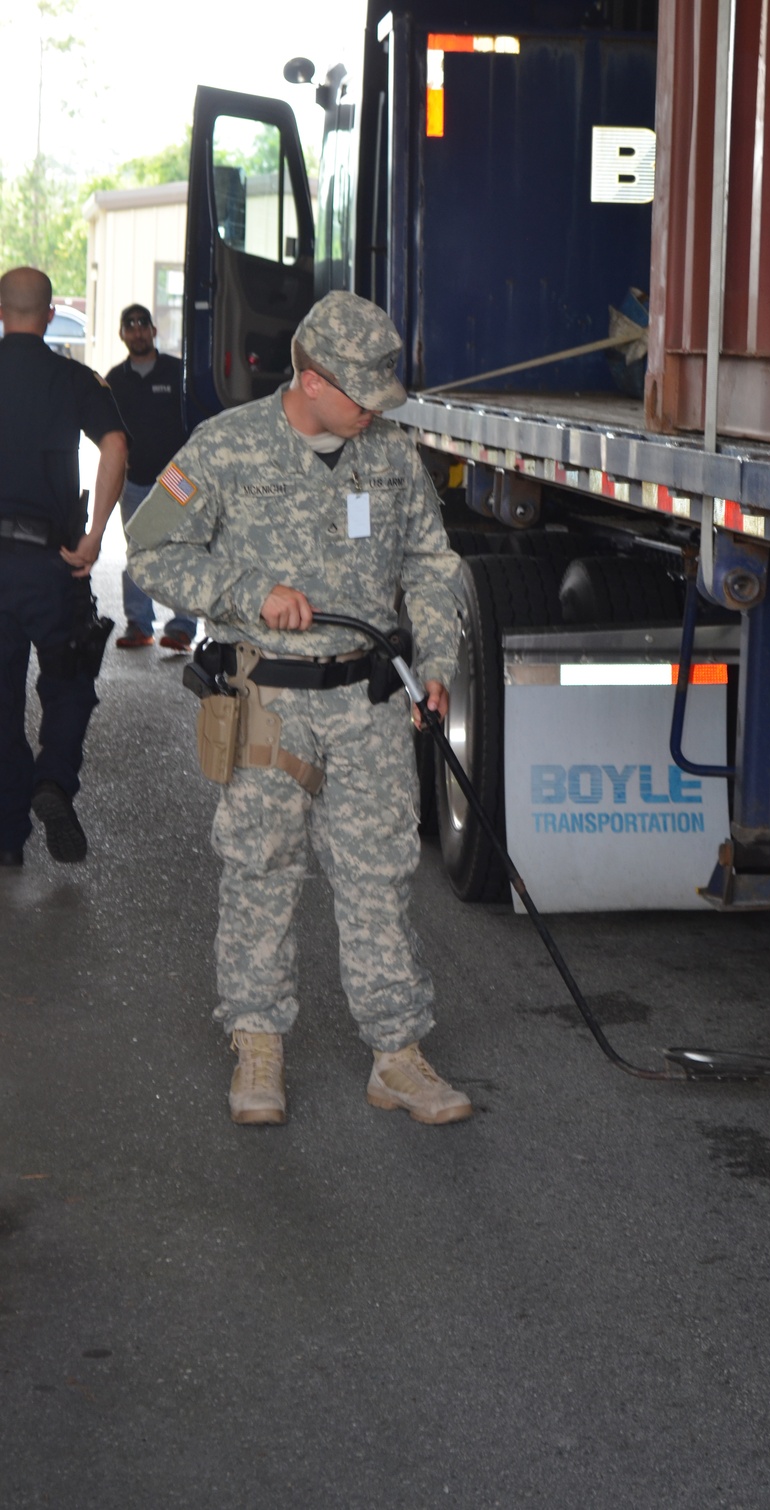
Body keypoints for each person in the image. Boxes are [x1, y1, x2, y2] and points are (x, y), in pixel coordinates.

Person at [126, 291, 471, 1128]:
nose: (374, 411)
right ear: (311, 380)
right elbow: (147, 547)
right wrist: (245, 592)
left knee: (381, 876)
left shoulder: (387, 456)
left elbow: (431, 560)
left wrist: (436, 659)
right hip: (268, 705)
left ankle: (396, 1055)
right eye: (361, 395)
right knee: (260, 870)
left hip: (369, 700)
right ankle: (258, 1047)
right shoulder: (225, 446)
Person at [0, 265, 127, 867]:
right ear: (49, 314)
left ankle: (5, 839)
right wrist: (95, 536)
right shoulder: (74, 378)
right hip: (51, 561)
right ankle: (53, 779)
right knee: (70, 677)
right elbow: (116, 447)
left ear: (1, 311)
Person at [105, 303, 197, 651]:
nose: (138, 331)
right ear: (122, 334)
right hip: (136, 479)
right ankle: (139, 625)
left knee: (180, 551)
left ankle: (183, 627)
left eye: (143, 324)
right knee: (138, 551)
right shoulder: (115, 378)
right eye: (130, 326)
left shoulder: (178, 372)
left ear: (154, 331)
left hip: (176, 479)